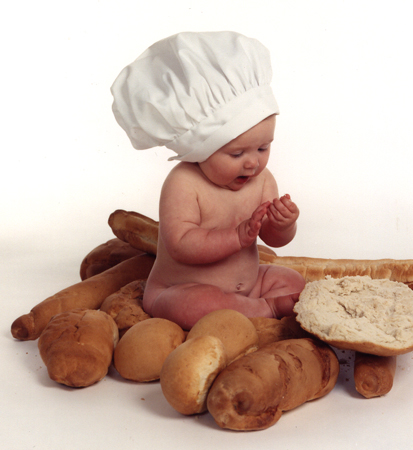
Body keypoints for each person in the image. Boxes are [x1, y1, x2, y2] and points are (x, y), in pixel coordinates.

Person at [111, 31, 305, 330]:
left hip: (251, 284)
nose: (253, 162)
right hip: (182, 288)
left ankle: (254, 304)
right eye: (237, 152)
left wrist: (283, 224)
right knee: (196, 305)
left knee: (293, 281)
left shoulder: (262, 180)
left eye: (263, 148)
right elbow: (181, 244)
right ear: (200, 150)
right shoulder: (184, 183)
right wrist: (237, 237)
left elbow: (272, 239)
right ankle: (264, 311)